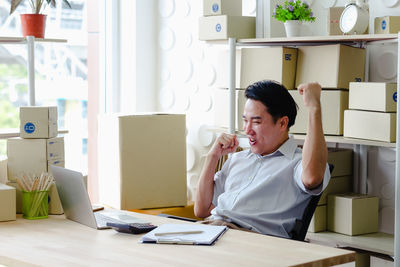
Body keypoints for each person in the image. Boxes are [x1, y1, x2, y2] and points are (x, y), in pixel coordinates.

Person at [194, 80, 331, 238]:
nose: (247, 130)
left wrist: (314, 108)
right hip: (211, 230)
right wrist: (212, 157)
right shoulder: (237, 158)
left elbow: (312, 177)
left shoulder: (297, 164)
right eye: (245, 120)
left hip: (248, 241)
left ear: (282, 123)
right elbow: (201, 210)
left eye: (256, 122)